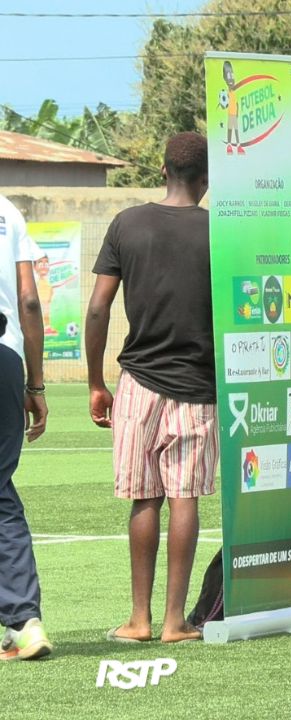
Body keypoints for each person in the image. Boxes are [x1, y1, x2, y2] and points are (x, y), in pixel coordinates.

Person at [84, 132, 214, 643]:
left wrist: (97, 383)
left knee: (144, 500)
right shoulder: (221, 231)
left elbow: (97, 308)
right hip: (200, 385)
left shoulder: (126, 224)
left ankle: (137, 619)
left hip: (138, 381)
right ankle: (174, 622)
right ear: (206, 179)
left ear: (163, 171)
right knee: (185, 498)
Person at [0, 191, 52, 660]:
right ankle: (23, 621)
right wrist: (35, 384)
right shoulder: (7, 210)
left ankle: (20, 619)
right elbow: (29, 300)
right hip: (5, 358)